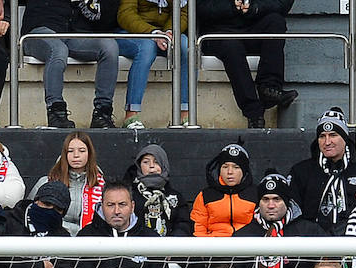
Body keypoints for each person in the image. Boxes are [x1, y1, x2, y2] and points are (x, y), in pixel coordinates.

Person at [196, 0, 296, 128]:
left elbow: (282, 3)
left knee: (276, 22)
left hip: (253, 24)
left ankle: (269, 88)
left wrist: (256, 8)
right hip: (218, 31)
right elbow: (199, 8)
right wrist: (232, 7)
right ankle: (253, 112)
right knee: (231, 47)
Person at [21, 0, 119, 129]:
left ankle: (102, 113)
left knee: (109, 46)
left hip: (69, 33)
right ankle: (56, 111)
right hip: (37, 33)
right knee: (58, 50)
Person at [288, 107, 356, 232]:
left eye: (333, 135)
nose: (327, 142)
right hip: (311, 243)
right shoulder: (300, 172)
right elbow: (292, 213)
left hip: (352, 242)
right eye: (322, 136)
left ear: (344, 139)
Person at [231, 172, 327, 268]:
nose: (271, 205)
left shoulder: (309, 231)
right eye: (265, 199)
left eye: (277, 199)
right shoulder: (243, 235)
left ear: (287, 202)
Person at [115, 0, 189, 128]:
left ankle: (185, 114)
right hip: (132, 31)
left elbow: (183, 13)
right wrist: (153, 33)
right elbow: (125, 14)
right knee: (147, 48)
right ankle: (131, 114)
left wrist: (169, 32)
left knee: (186, 46)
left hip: (166, 32)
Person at [29, 131, 105, 235]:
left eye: (82, 151)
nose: (76, 155)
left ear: (90, 154)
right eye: (70, 151)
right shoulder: (46, 182)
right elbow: (30, 213)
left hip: (91, 243)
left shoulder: (102, 186)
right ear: (65, 154)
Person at [122, 143, 191, 237]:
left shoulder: (175, 197)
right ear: (139, 165)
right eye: (146, 162)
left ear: (164, 165)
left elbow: (183, 224)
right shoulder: (129, 194)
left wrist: (173, 241)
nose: (151, 166)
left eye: (157, 162)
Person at [190, 142, 255, 237]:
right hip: (214, 246)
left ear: (244, 171)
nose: (230, 172)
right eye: (225, 167)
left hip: (246, 245)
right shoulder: (206, 195)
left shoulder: (254, 194)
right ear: (219, 170)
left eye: (236, 167)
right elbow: (198, 227)